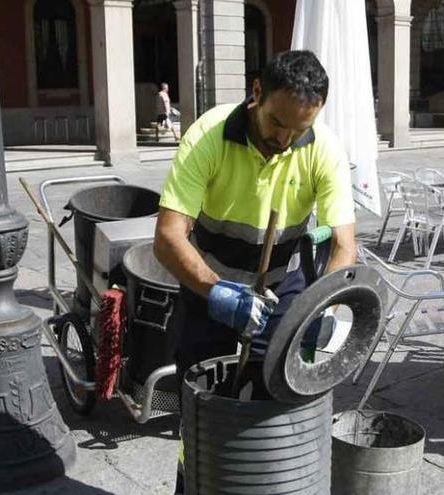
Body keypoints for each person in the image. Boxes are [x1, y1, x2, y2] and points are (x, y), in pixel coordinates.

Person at [153, 50, 357, 494]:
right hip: (208, 287)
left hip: (283, 291)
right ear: (257, 93)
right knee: (202, 417)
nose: (285, 139)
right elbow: (168, 237)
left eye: (299, 129)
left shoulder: (322, 147)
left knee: (272, 415)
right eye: (276, 124)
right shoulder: (208, 135)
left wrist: (321, 307)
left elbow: (344, 245)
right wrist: (219, 292)